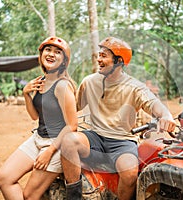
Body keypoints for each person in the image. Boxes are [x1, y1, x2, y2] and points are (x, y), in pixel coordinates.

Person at [60, 36, 176, 200]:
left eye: (104, 56)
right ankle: (73, 197)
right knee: (68, 141)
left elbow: (154, 104)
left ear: (119, 61)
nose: (99, 59)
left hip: (122, 141)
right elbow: (73, 107)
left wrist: (166, 115)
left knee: (129, 173)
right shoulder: (89, 82)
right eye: (99, 55)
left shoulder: (135, 87)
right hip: (95, 136)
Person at [0, 36, 78, 199]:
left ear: (64, 61)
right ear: (41, 55)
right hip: (38, 138)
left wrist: (50, 151)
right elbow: (34, 116)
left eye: (57, 52)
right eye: (48, 50)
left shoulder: (62, 86)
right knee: (3, 178)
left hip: (57, 144)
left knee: (29, 196)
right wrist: (27, 94)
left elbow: (72, 125)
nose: (51, 54)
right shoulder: (40, 81)